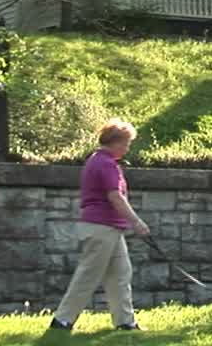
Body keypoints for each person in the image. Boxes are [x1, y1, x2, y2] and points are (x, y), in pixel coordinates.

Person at [48, 118, 150, 332]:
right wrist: (137, 223)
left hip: (110, 228)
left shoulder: (102, 161)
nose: (127, 147)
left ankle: (125, 322)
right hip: (101, 227)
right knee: (88, 275)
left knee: (121, 274)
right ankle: (62, 321)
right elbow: (116, 197)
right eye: (126, 142)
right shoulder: (104, 163)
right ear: (114, 141)